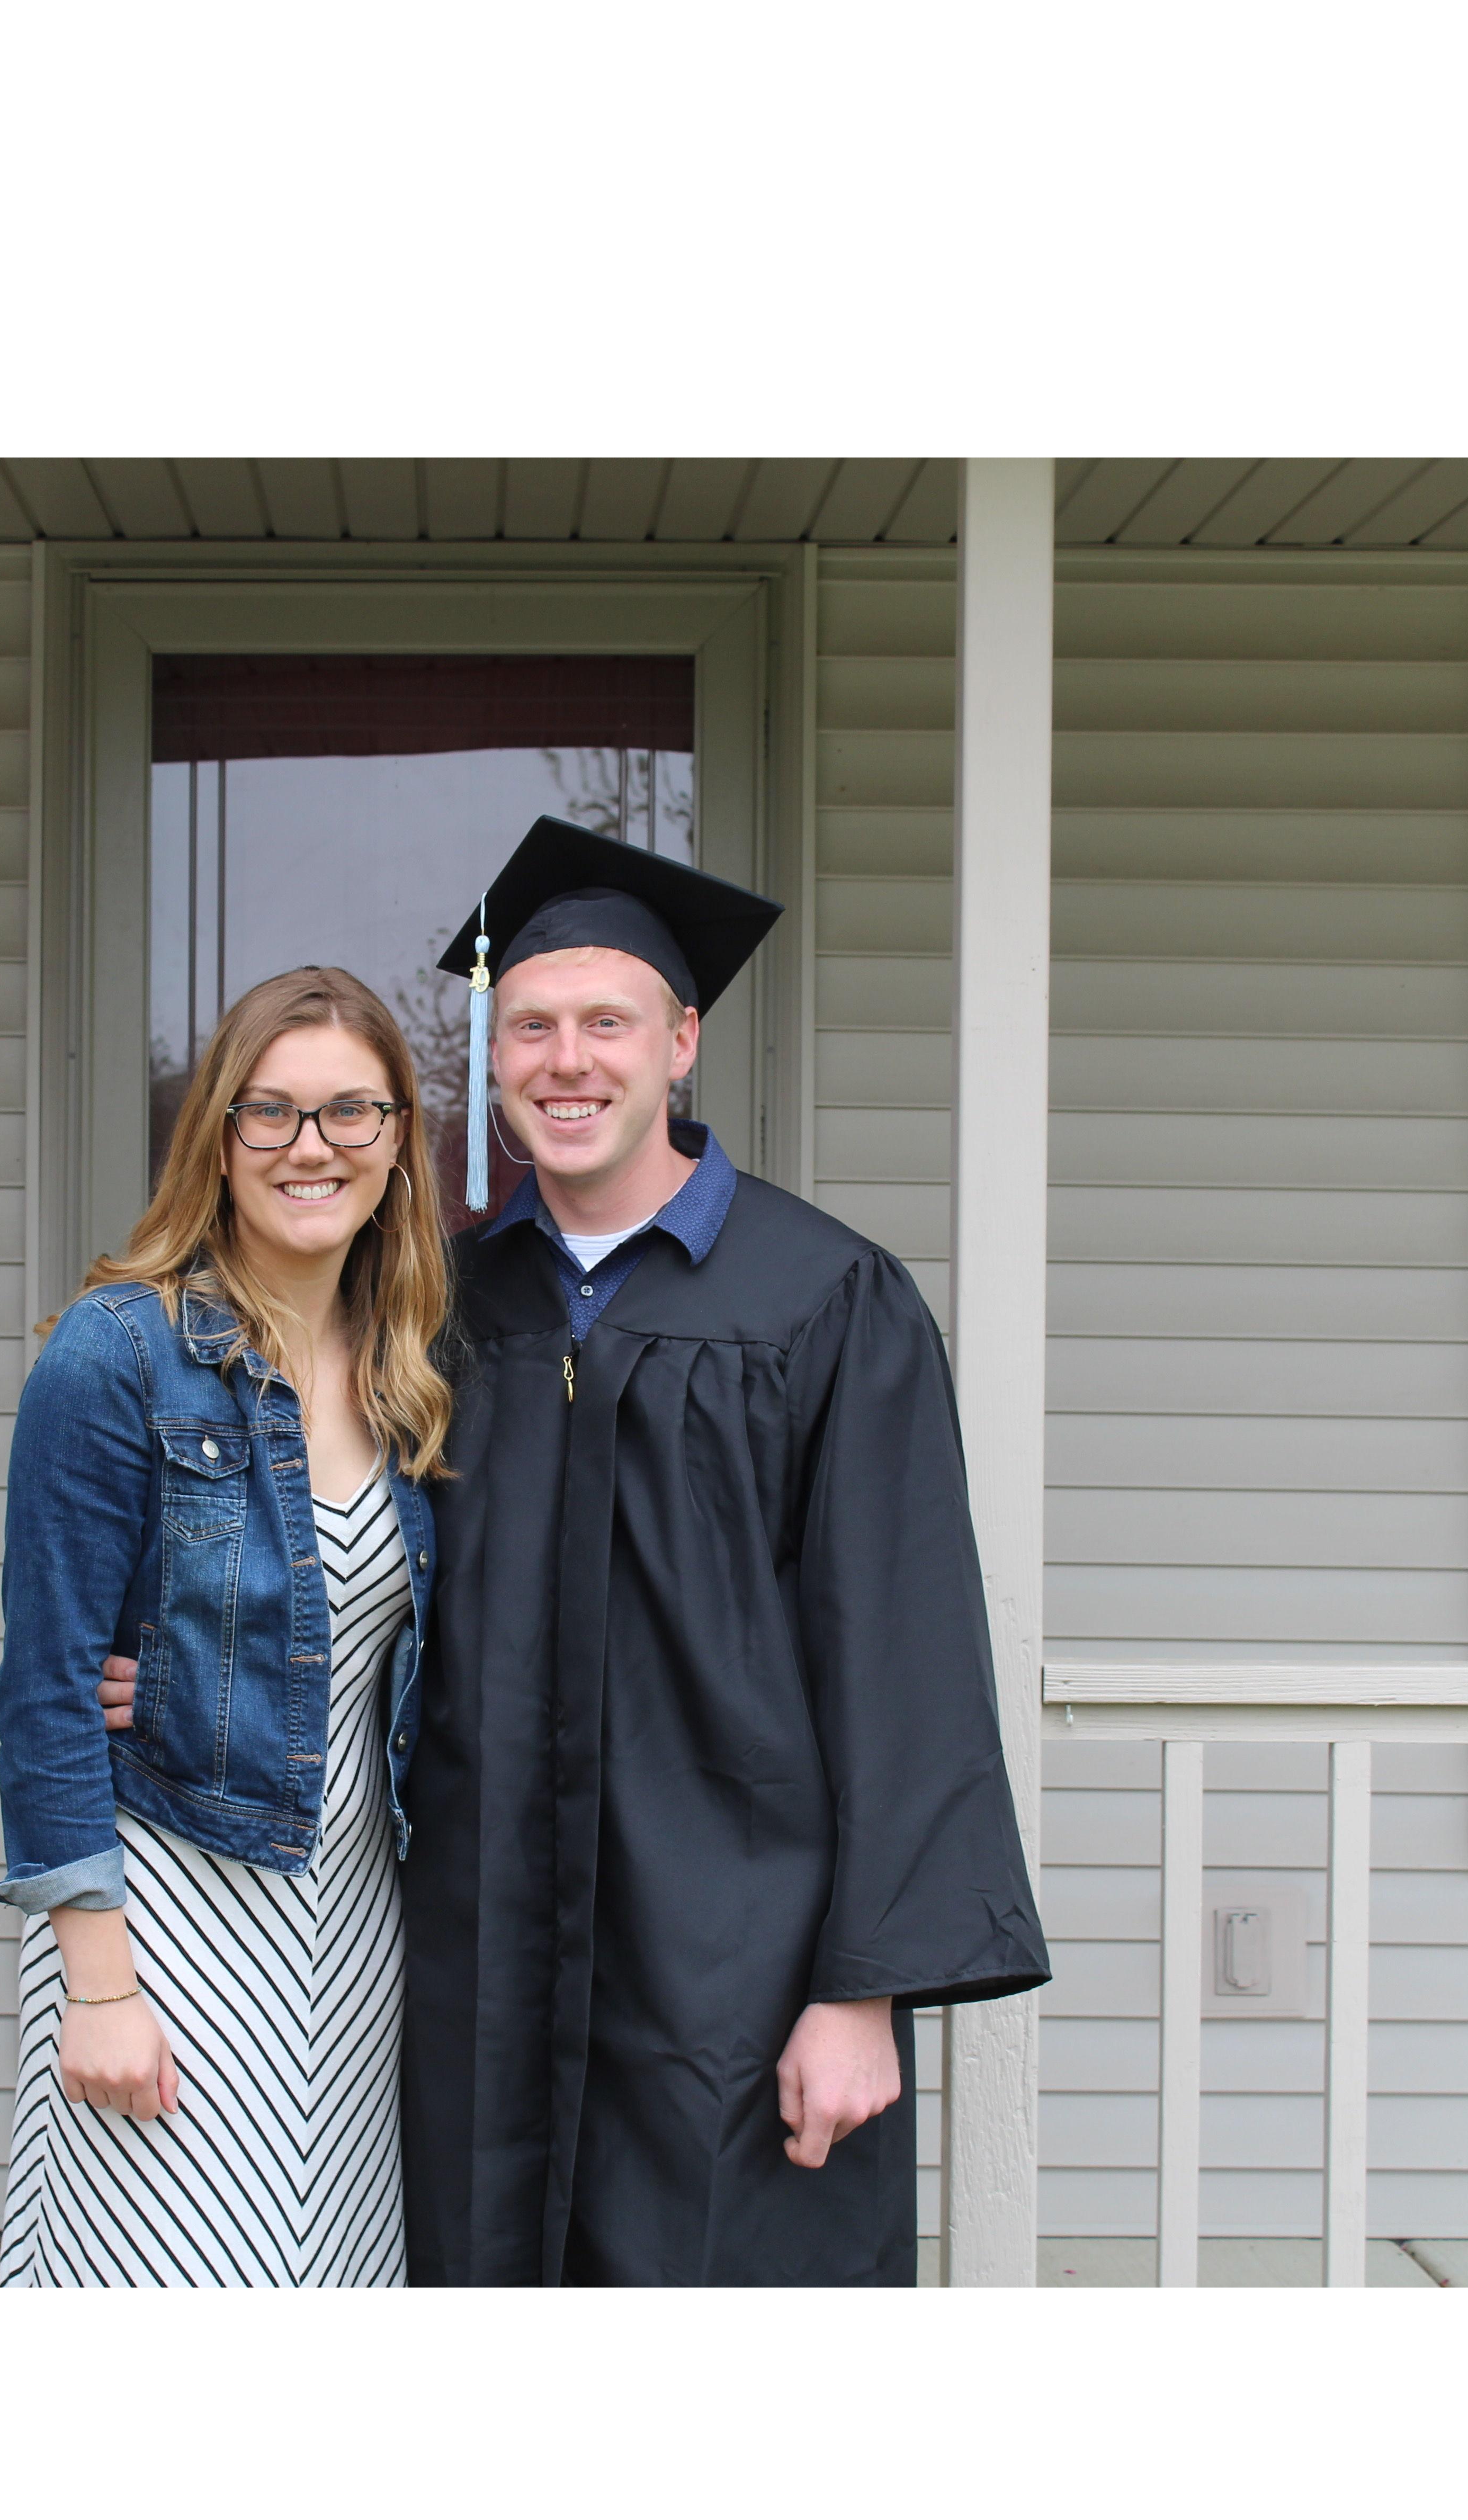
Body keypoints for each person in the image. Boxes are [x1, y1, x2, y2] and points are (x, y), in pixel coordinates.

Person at [404, 818, 1050, 2287]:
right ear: (493, 1059)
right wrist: (180, 1671)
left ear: (682, 1042)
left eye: (607, 1024)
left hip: (737, 1972)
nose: (568, 1061)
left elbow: (904, 1659)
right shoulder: (444, 1307)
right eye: (531, 1027)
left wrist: (862, 1993)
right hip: (481, 1957)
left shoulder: (824, 1301)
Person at [0, 966, 452, 2287]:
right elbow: (45, 1693)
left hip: (363, 1924)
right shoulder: (116, 1354)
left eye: (351, 1113)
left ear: (398, 1139)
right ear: (219, 1136)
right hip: (171, 1923)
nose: (313, 1148)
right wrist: (98, 1985)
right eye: (272, 1113)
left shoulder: (412, 1367)